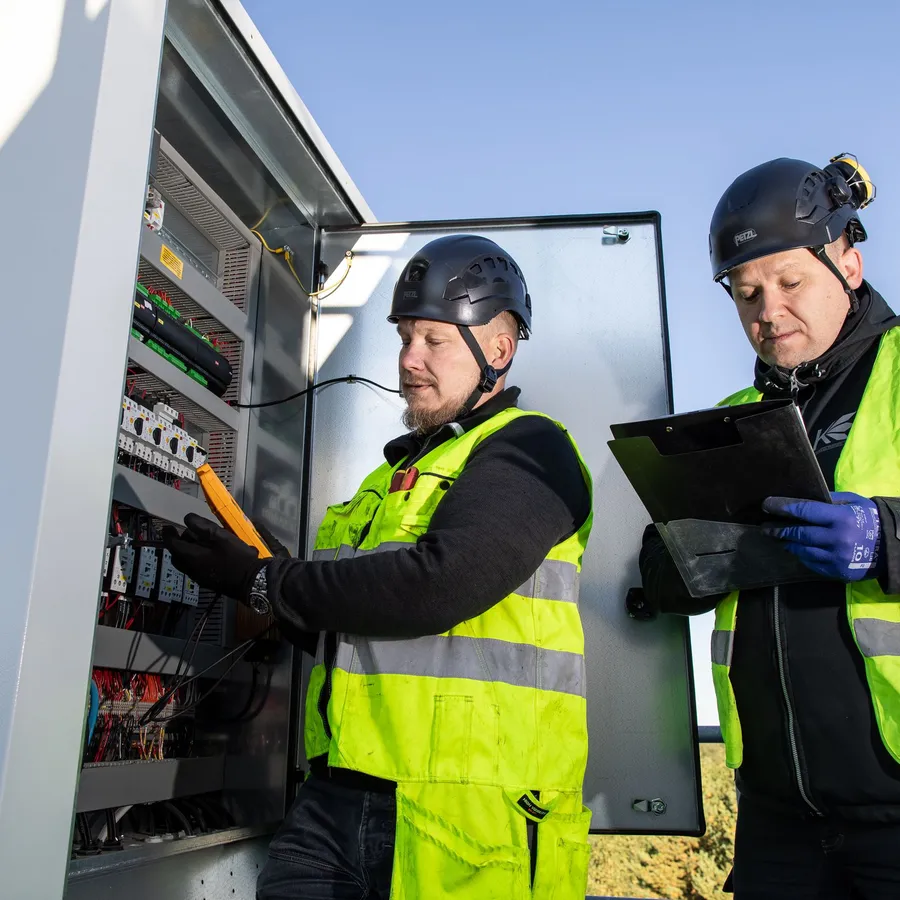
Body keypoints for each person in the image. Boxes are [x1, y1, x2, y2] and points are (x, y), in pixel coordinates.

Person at [165, 234, 595, 900]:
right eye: (405, 339)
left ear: (499, 351)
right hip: (336, 798)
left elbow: (439, 585)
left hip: (468, 819)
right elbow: (358, 633)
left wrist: (261, 581)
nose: (410, 362)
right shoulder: (389, 479)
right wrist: (264, 582)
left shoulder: (532, 451)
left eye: (435, 341)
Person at [639, 154, 900, 899]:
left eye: (790, 282)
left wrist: (887, 538)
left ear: (847, 262)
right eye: (747, 292)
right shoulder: (730, 420)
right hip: (777, 818)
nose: (767, 310)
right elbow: (659, 575)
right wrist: (683, 566)